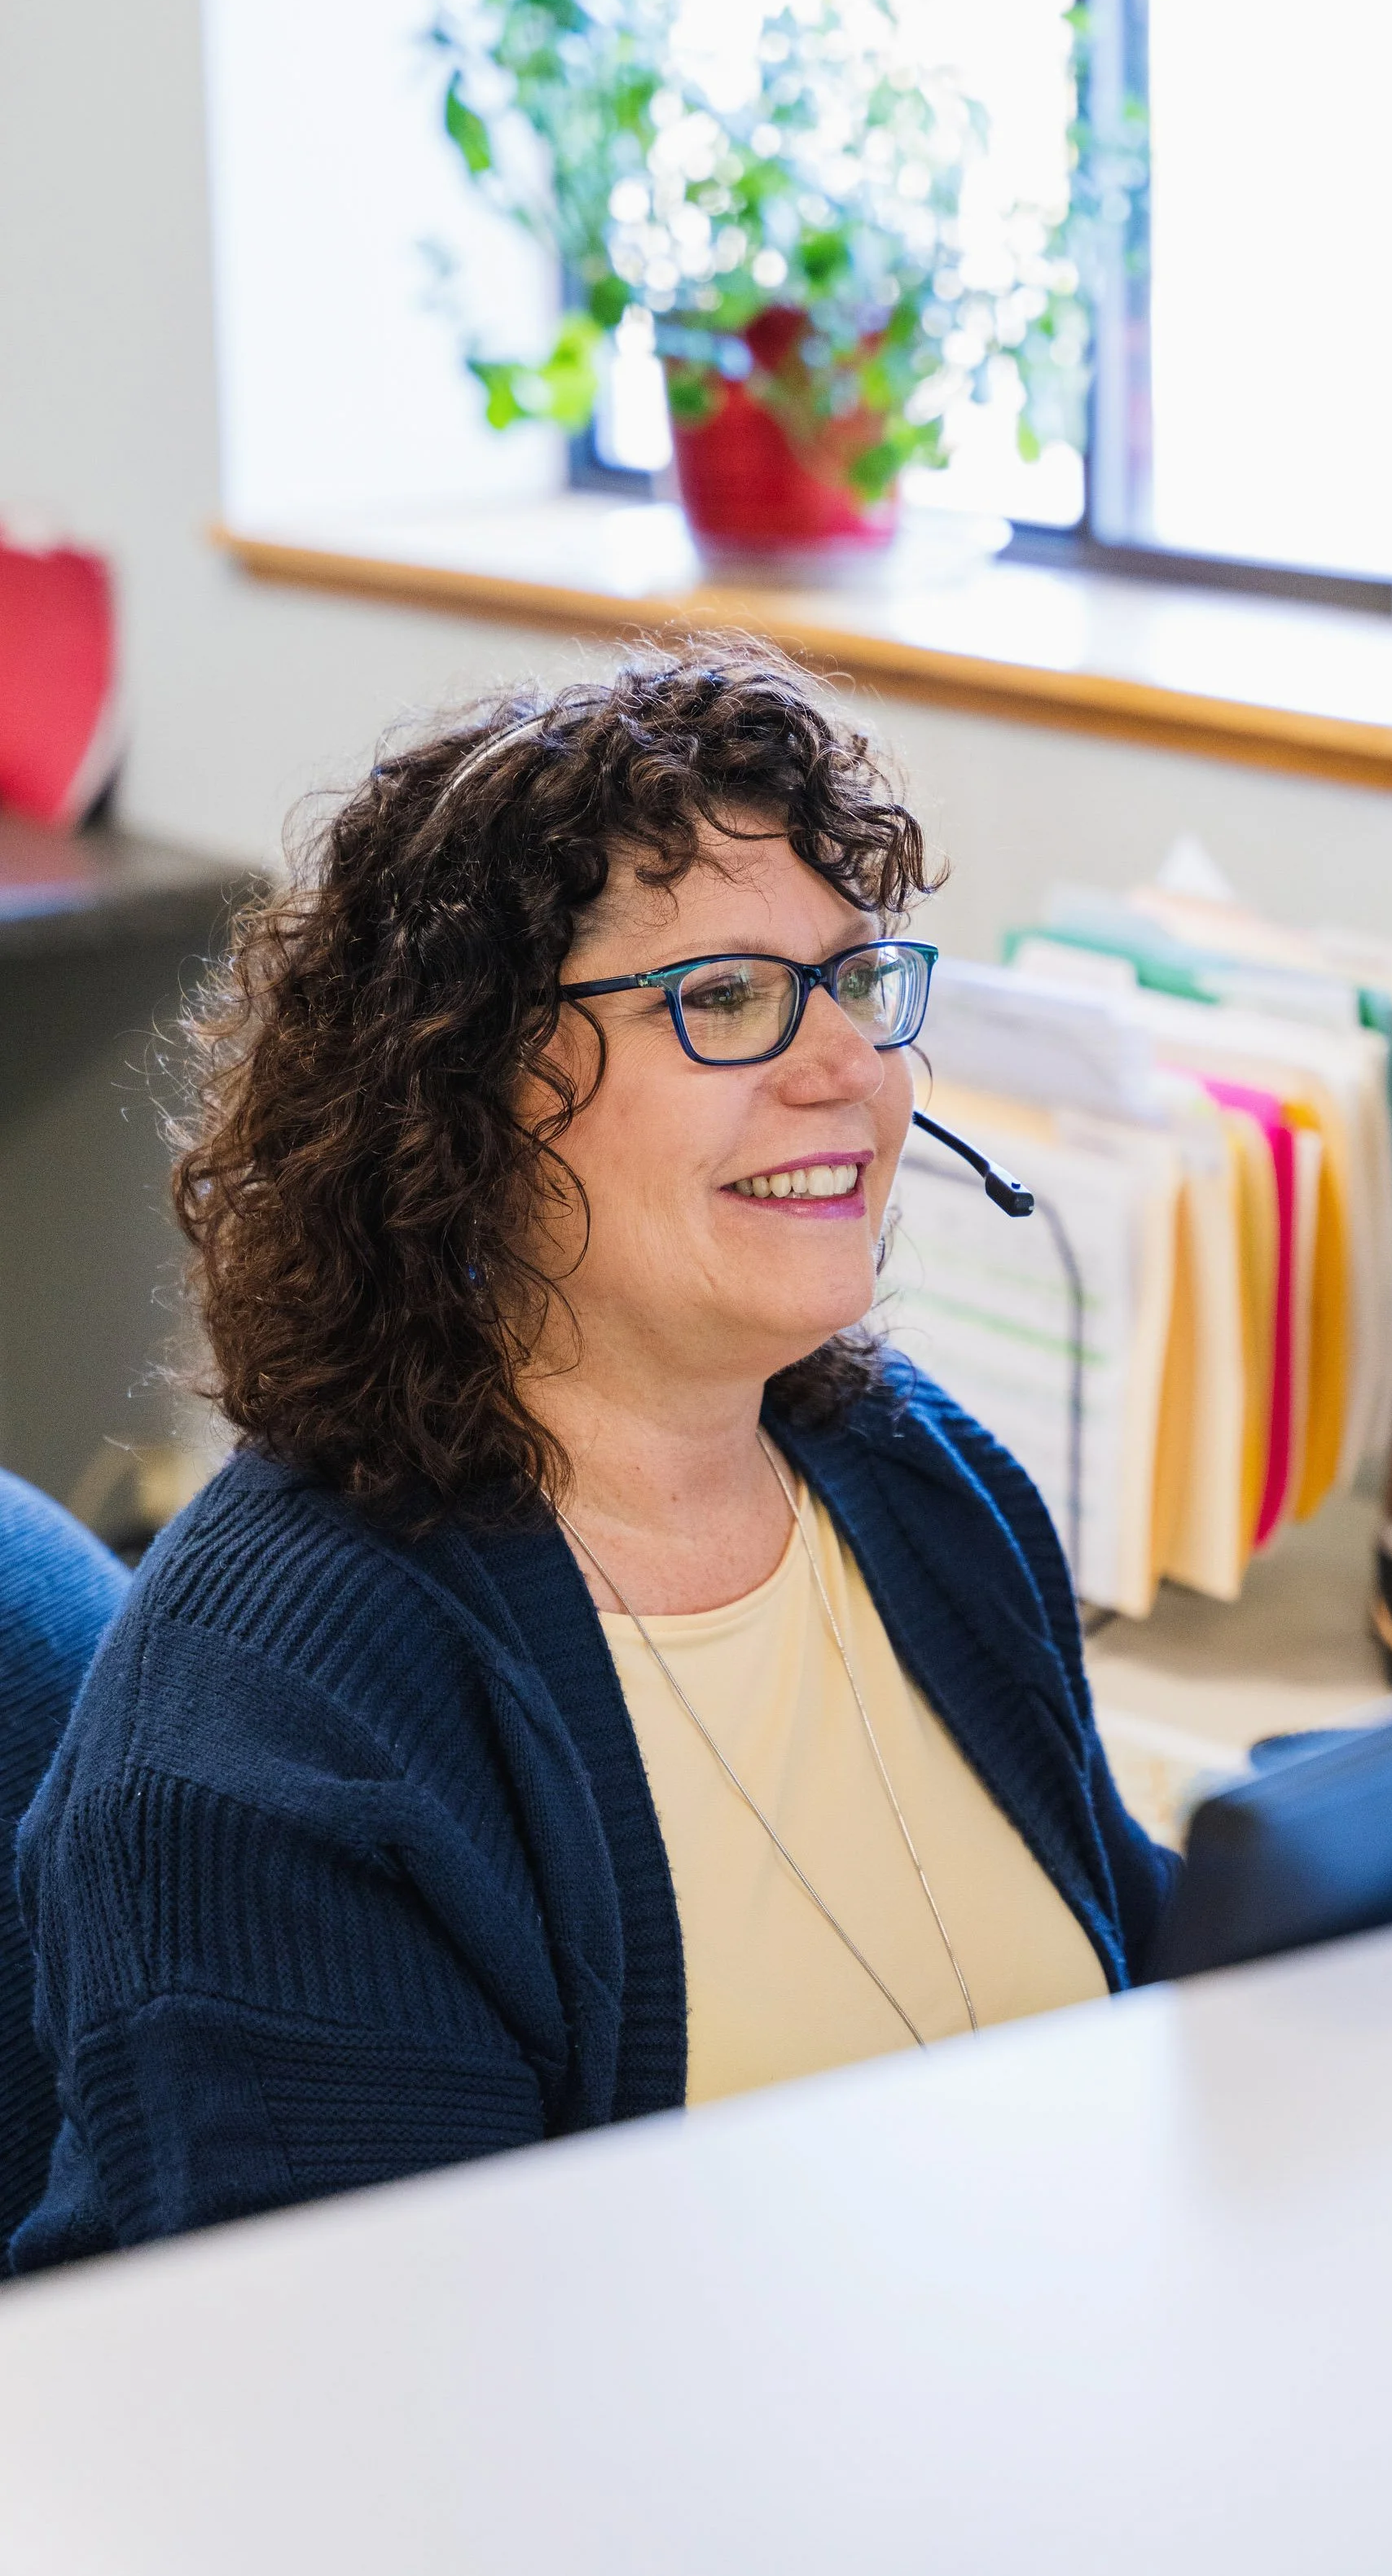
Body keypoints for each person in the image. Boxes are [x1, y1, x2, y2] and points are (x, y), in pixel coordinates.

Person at [10, 652, 1175, 2270]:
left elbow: (1148, 1979)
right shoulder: (267, 1739)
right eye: (726, 998)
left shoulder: (912, 1478)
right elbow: (399, 2429)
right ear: (469, 1093)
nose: (845, 1065)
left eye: (852, 979)